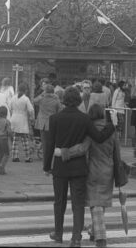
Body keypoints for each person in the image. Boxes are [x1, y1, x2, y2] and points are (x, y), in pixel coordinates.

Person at [44, 86, 115, 247]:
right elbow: (98, 138)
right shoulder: (84, 119)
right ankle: (76, 238)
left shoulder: (54, 118)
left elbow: (49, 145)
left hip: (60, 167)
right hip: (79, 168)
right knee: (77, 204)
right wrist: (111, 125)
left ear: (63, 100)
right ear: (79, 100)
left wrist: (47, 166)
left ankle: (58, 233)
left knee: (59, 202)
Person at [33, 83, 62, 160]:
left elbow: (34, 101)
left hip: (42, 124)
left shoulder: (42, 99)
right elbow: (60, 110)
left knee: (44, 142)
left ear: (45, 91)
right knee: (52, 142)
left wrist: (42, 94)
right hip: (52, 123)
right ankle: (51, 158)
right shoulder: (56, 100)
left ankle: (45, 160)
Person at [9, 82, 35, 163]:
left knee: (15, 139)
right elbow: (31, 110)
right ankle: (27, 157)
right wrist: (32, 118)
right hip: (22, 119)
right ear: (25, 90)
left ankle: (14, 156)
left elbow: (9, 107)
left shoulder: (13, 98)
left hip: (13, 118)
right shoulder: (25, 99)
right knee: (24, 139)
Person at [0, 106, 12, 175]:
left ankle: (0, 170)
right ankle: (2, 165)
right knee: (6, 154)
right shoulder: (7, 121)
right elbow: (9, 131)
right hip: (3, 139)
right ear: (6, 113)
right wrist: (12, 137)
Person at [129, 86, 136, 157]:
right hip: (135, 116)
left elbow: (130, 106)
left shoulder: (132, 98)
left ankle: (134, 145)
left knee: (135, 131)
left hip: (134, 116)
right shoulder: (133, 98)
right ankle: (134, 145)